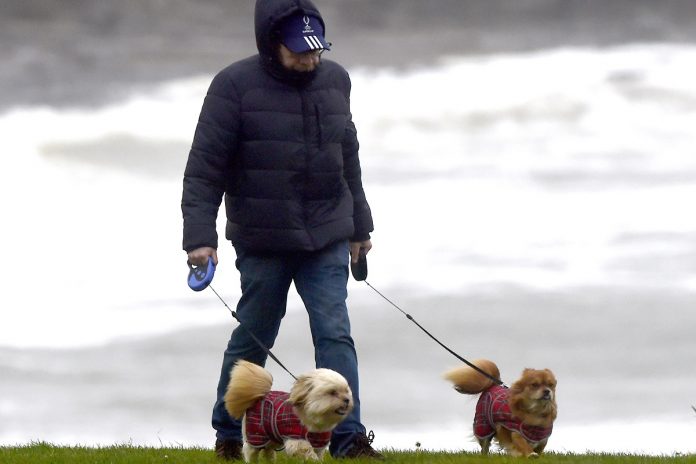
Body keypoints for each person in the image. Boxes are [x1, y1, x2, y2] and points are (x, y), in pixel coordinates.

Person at [181, 0, 380, 460]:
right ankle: (231, 432)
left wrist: (360, 227)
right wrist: (199, 238)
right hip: (263, 238)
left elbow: (347, 156)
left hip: (327, 233)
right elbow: (204, 170)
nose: (310, 60)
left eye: (316, 51)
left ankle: (348, 439)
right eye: (299, 52)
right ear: (272, 44)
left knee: (335, 332)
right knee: (255, 335)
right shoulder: (233, 86)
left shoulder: (336, 81)